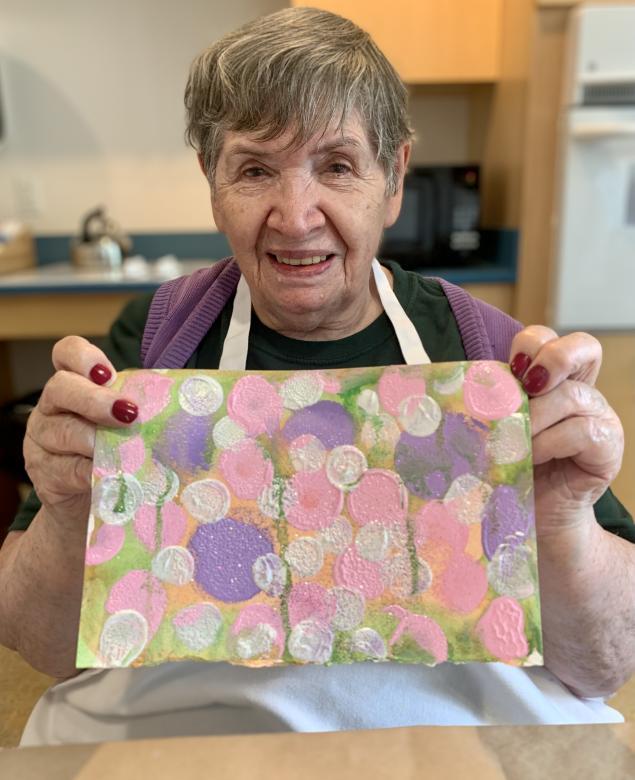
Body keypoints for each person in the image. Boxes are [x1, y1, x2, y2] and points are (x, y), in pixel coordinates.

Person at [1, 7, 634, 745]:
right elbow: (43, 648)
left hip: (443, 744)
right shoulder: (156, 345)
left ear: (392, 178)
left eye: (336, 166)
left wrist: (559, 521)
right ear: (212, 181)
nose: (296, 217)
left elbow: (603, 665)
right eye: (255, 169)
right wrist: (68, 508)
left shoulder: (486, 354)